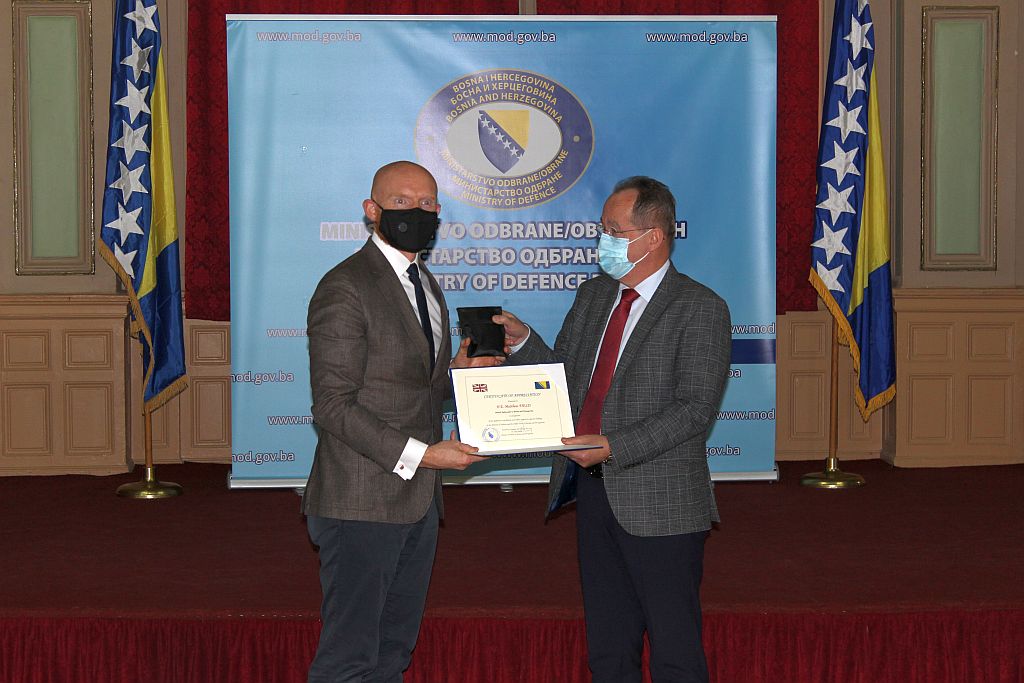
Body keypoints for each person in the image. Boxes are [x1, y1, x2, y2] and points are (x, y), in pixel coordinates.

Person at [496, 176, 732, 682]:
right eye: (602, 228)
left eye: (613, 230)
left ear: (653, 237)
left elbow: (694, 409)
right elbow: (564, 379)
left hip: (661, 502)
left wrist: (613, 447)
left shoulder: (700, 307)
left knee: (674, 649)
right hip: (592, 491)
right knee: (608, 645)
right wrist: (523, 342)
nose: (601, 240)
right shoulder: (594, 295)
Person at [303, 160, 486, 682]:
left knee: (392, 654)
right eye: (402, 202)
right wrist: (425, 455)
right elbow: (333, 405)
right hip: (360, 500)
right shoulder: (346, 286)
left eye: (427, 203)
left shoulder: (425, 282)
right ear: (372, 210)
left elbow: (415, 389)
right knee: (349, 659)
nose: (416, 212)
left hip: (418, 501)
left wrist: (458, 376)